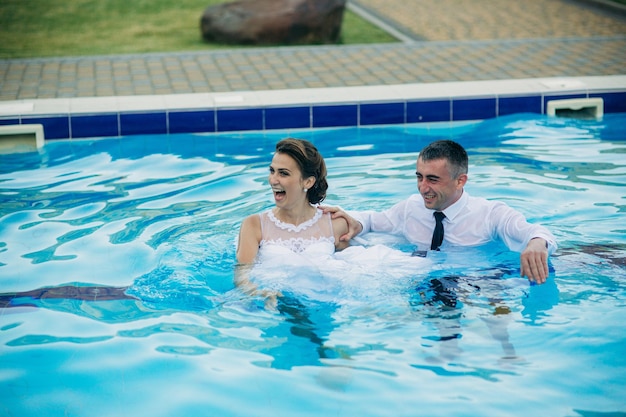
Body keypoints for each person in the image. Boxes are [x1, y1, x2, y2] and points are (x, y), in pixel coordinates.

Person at [324, 140, 557, 284]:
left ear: (460, 181)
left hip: (476, 279)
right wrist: (355, 223)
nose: (423, 188)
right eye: (419, 177)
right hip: (424, 278)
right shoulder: (411, 208)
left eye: (433, 179)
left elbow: (535, 231)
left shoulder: (489, 214)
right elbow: (373, 219)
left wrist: (537, 243)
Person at [236, 137, 349, 265]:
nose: (273, 180)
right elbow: (243, 277)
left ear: (308, 182)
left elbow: (348, 270)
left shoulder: (335, 224)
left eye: (283, 173)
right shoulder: (254, 225)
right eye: (272, 171)